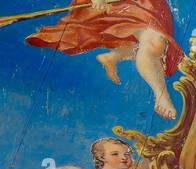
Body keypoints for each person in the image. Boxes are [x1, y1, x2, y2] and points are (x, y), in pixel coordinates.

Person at [26, 0, 183, 119]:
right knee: (155, 42)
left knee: (156, 43)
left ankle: (114, 56)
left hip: (148, 6)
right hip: (119, 5)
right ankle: (161, 94)